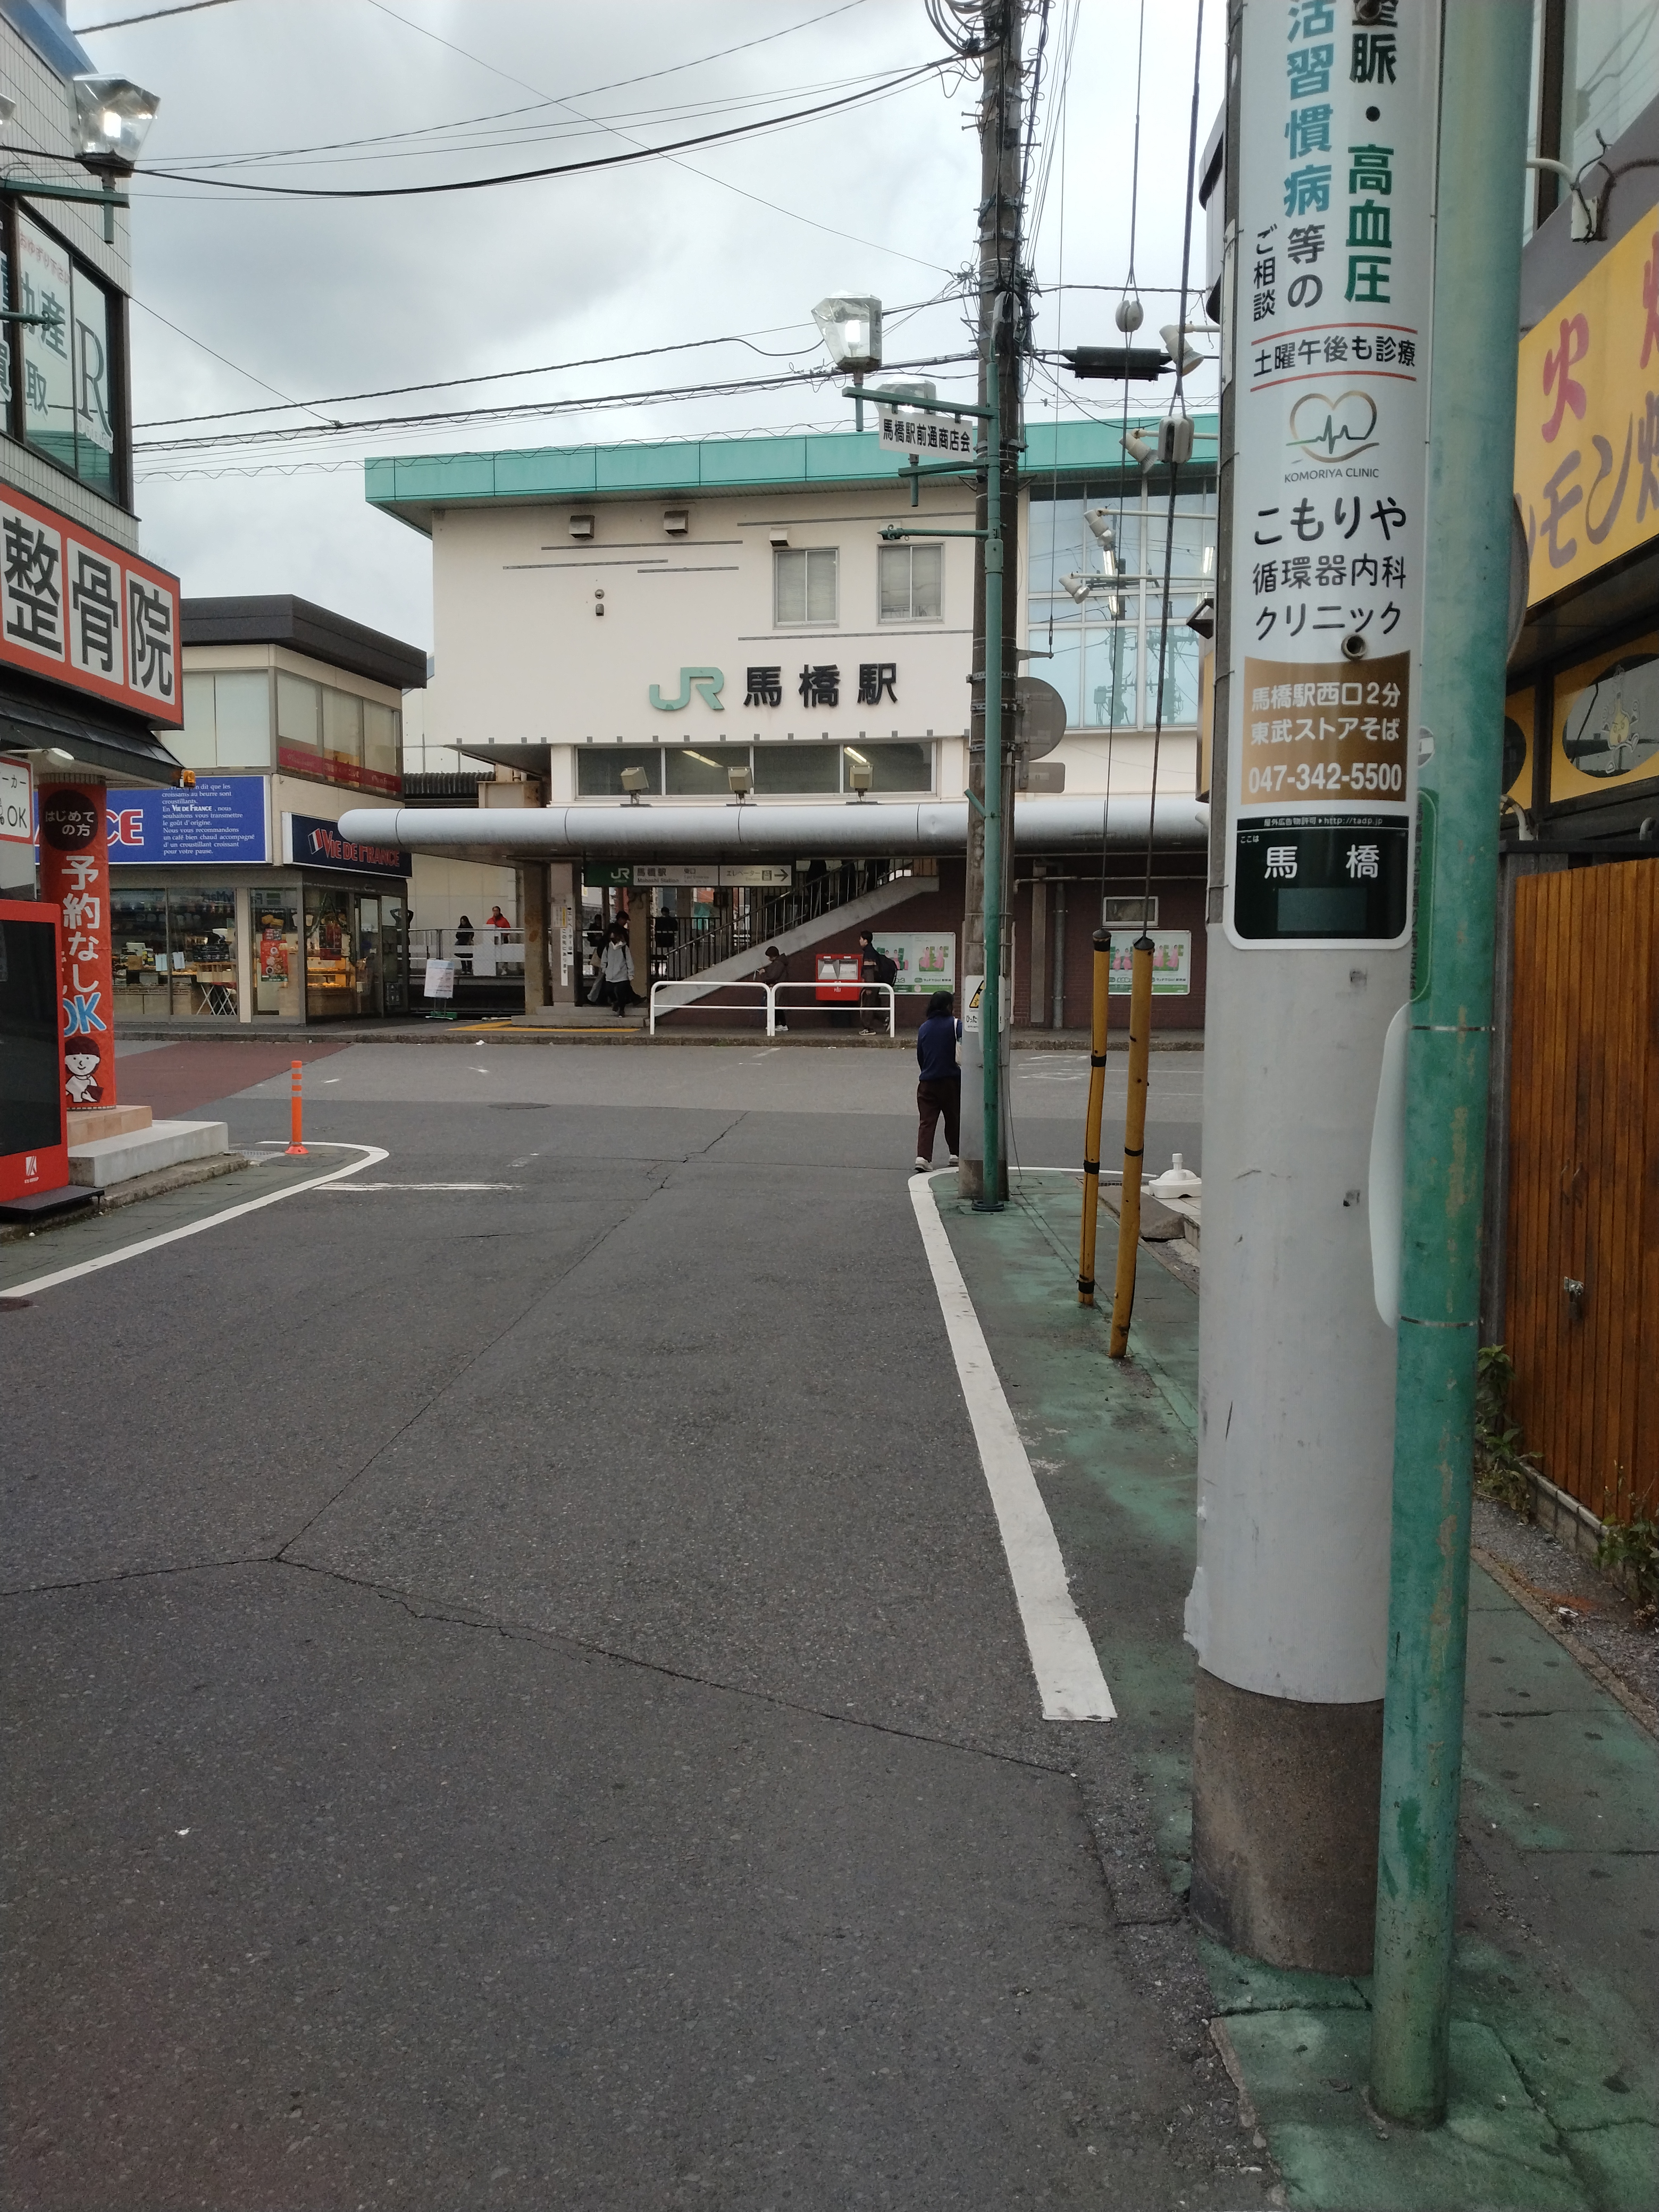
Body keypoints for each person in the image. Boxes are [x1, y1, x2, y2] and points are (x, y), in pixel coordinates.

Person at [914, 989, 961, 1171]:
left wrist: (927, 1071)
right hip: (951, 1080)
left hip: (927, 1081)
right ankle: (956, 1154)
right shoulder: (956, 1025)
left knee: (927, 1121)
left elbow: (921, 1055)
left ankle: (923, 1158)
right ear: (949, 1006)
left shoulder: (924, 1027)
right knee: (953, 1118)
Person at [858, 929, 898, 1033]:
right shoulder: (872, 952)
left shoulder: (869, 953)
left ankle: (869, 1028)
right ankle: (885, 1018)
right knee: (872, 1005)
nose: (860, 941)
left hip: (872, 983)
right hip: (876, 983)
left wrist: (869, 986)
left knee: (867, 1005)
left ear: (866, 941)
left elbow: (869, 971)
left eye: (861, 939)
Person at [599, 920, 636, 1014]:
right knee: (609, 991)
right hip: (610, 975)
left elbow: (629, 961)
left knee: (621, 993)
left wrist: (631, 974)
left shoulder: (624, 948)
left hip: (622, 974)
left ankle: (622, 1010)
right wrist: (604, 969)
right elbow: (604, 959)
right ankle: (615, 1002)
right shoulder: (608, 947)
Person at [759, 943, 790, 1032]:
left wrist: (764, 975)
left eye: (769, 956)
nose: (768, 958)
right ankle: (781, 1024)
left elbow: (773, 976)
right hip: (779, 987)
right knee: (777, 1006)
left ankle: (778, 1024)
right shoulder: (780, 962)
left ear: (772, 956)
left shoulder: (778, 964)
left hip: (777, 987)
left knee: (776, 1005)